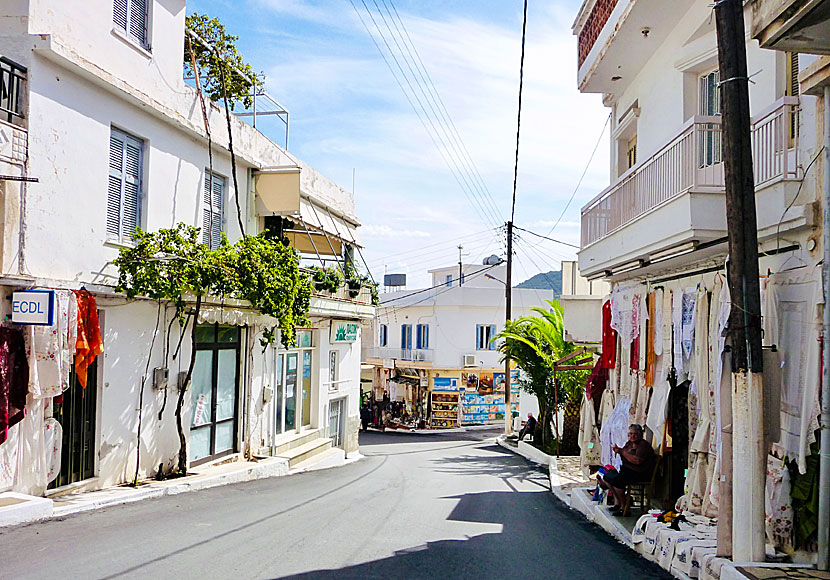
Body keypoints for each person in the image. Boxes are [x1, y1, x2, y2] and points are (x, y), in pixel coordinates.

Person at [600, 423, 655, 516]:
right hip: (627, 469)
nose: (632, 436)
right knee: (606, 477)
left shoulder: (643, 445)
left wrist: (622, 452)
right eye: (631, 434)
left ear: (640, 435)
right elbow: (625, 454)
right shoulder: (629, 444)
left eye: (635, 434)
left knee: (618, 482)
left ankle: (624, 506)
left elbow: (637, 460)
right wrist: (619, 451)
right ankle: (618, 502)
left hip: (639, 472)